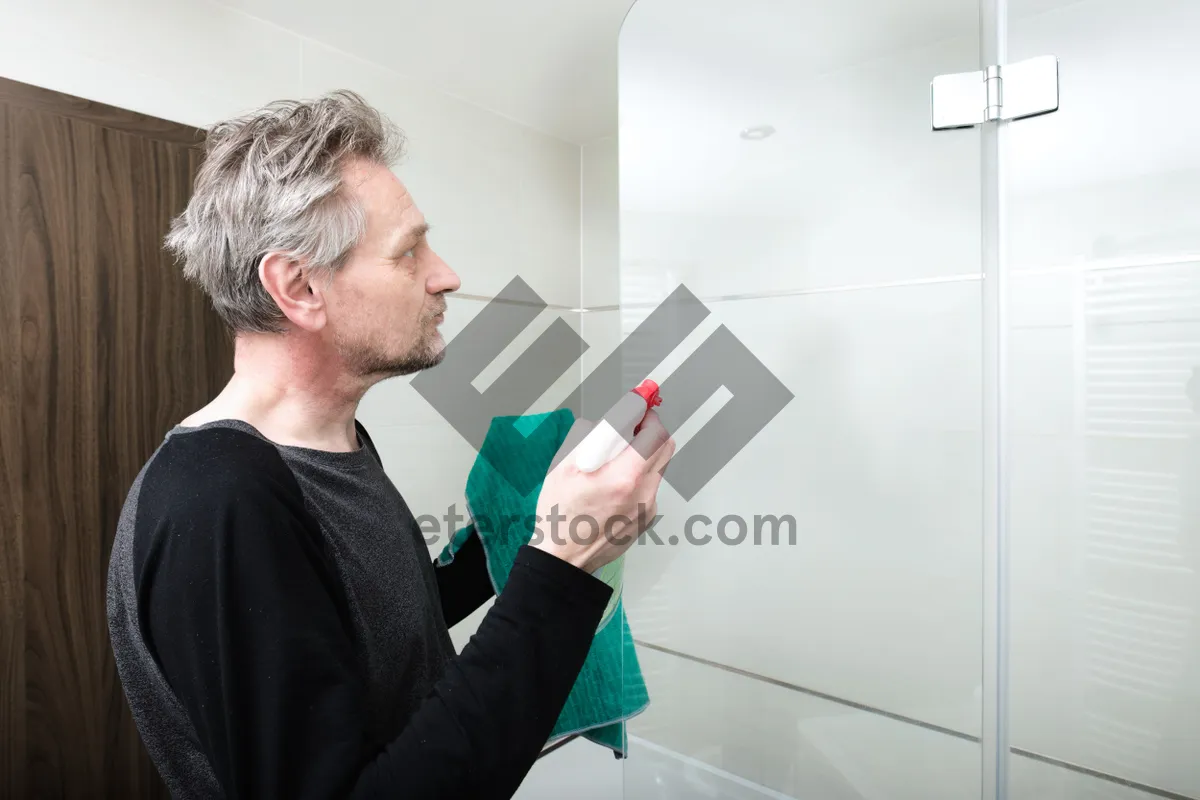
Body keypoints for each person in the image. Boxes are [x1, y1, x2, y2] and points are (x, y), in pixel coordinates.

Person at [105, 90, 674, 800]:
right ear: (300, 285)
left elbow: (374, 632)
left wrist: (528, 528)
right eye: (409, 251)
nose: (446, 275)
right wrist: (565, 566)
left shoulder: (330, 447)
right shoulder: (220, 501)